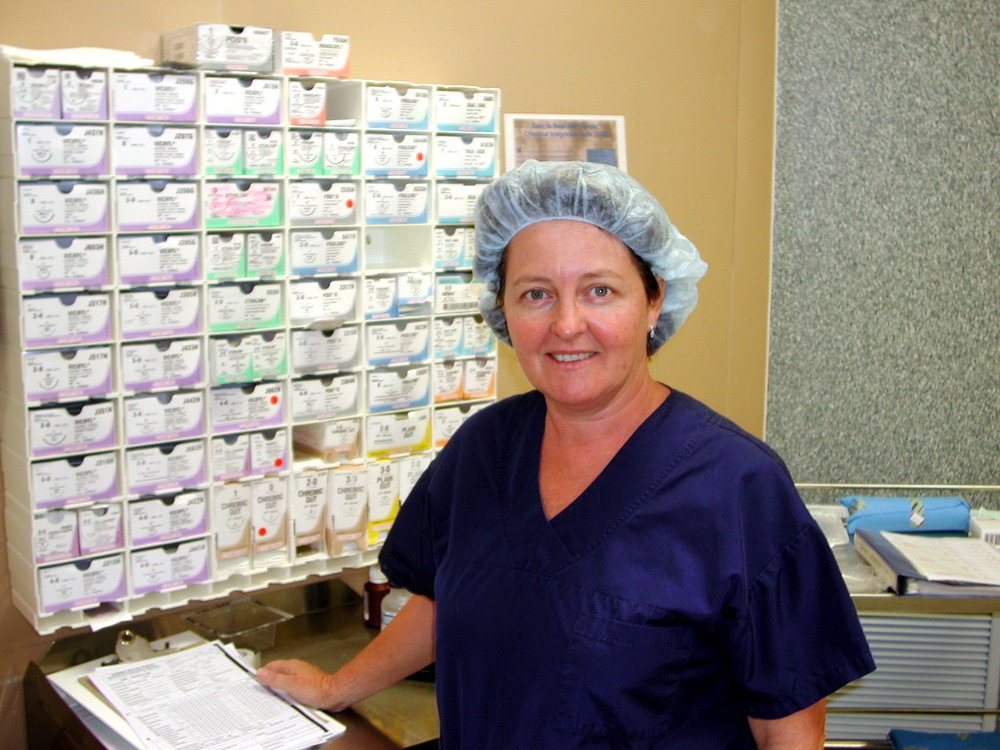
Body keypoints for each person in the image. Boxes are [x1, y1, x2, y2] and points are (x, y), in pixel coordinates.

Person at [258, 160, 876, 749]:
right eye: (536, 294)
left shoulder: (737, 486)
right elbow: (448, 602)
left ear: (654, 299)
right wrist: (338, 688)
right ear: (501, 308)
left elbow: (789, 727)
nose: (567, 324)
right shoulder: (485, 448)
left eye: (600, 290)